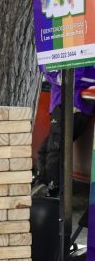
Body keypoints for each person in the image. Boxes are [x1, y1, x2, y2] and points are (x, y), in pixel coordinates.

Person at [35, 66, 95, 197]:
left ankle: (52, 190)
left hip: (72, 105)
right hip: (65, 104)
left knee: (54, 151)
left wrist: (53, 75)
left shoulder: (78, 51)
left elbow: (69, 77)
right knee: (47, 150)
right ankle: (43, 187)